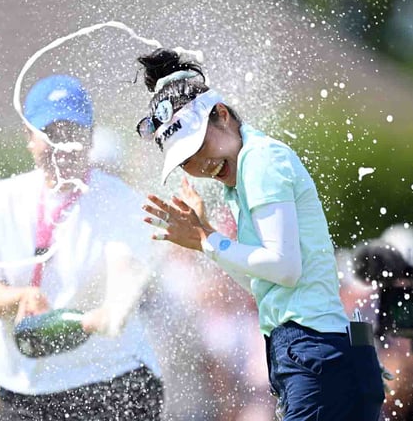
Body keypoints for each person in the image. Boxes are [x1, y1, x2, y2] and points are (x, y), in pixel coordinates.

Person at [135, 48, 384, 420]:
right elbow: (263, 283)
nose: (201, 165)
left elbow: (285, 268)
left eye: (200, 146)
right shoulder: (242, 178)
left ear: (222, 116)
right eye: (187, 160)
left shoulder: (260, 161)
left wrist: (208, 240)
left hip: (314, 352)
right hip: (319, 351)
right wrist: (207, 239)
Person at [0, 75, 163, 420]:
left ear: (91, 135)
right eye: (52, 134)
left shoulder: (118, 199)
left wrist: (113, 308)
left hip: (112, 380)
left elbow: (124, 268)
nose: (65, 145)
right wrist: (19, 298)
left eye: (74, 133)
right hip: (25, 389)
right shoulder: (1, 200)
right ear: (29, 136)